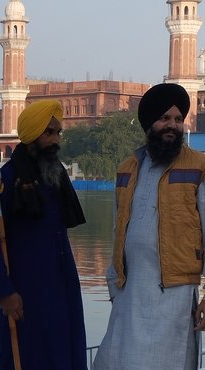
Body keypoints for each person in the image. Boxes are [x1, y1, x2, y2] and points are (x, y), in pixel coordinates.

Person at [93, 83, 205, 370]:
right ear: (149, 124)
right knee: (117, 360)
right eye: (165, 118)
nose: (172, 126)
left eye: (178, 120)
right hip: (130, 293)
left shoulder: (198, 166)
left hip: (176, 294)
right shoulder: (128, 167)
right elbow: (118, 230)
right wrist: (113, 284)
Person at [0, 100, 88, 370]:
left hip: (61, 287)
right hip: (24, 293)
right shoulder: (9, 178)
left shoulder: (55, 175)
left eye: (57, 133)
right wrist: (4, 292)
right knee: (28, 357)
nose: (55, 139)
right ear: (31, 135)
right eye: (48, 133)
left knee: (65, 353)